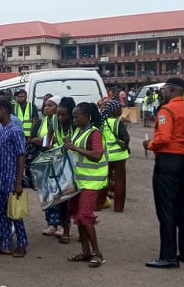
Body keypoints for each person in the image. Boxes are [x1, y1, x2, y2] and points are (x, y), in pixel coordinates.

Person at [143, 77, 184, 269]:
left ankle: (168, 256)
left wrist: (150, 144)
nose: (162, 92)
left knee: (166, 209)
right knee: (182, 206)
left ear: (172, 89)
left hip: (169, 161)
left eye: (165, 89)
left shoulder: (166, 110)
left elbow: (164, 138)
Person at [65, 102, 107, 268]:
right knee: (79, 216)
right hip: (80, 181)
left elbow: (97, 155)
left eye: (77, 116)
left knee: (85, 214)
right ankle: (86, 251)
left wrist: (74, 148)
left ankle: (97, 253)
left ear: (87, 116)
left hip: (91, 182)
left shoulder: (95, 133)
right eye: (73, 116)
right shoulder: (79, 131)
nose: (74, 119)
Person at [0, 97, 28, 258]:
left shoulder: (15, 131)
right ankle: (5, 244)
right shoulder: (3, 130)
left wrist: (18, 182)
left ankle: (22, 244)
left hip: (11, 180)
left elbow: (21, 156)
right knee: (2, 214)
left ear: (3, 111)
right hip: (0, 179)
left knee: (15, 213)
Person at [29, 95, 63, 236]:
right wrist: (45, 142)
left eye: (50, 105)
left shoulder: (62, 123)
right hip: (44, 161)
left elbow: (58, 140)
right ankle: (51, 223)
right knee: (46, 193)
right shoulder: (41, 122)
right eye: (45, 105)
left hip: (58, 162)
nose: (46, 108)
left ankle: (61, 224)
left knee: (60, 194)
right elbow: (32, 139)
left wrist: (45, 142)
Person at [50, 96, 76, 244]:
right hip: (60, 164)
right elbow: (51, 135)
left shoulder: (77, 123)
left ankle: (82, 229)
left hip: (75, 165)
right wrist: (49, 145)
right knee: (63, 200)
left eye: (63, 114)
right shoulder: (54, 120)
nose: (59, 117)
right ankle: (65, 230)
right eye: (58, 114)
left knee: (76, 200)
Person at [101, 100, 130, 212]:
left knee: (104, 180)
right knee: (120, 182)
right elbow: (126, 138)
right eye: (119, 108)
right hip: (119, 156)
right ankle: (118, 207)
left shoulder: (103, 122)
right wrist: (124, 147)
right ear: (116, 110)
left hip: (107, 156)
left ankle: (100, 203)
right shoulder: (117, 123)